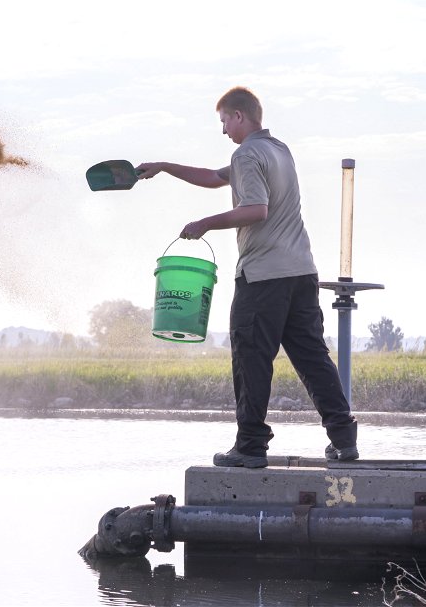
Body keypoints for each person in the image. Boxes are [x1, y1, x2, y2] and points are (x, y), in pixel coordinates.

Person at [136, 86, 358, 468]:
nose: (223, 131)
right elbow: (213, 177)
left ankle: (250, 446)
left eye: (224, 121)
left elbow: (256, 209)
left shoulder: (247, 153)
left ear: (239, 116)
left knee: (251, 359)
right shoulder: (279, 150)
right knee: (313, 359)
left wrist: (205, 223)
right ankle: (344, 439)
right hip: (301, 273)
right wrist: (165, 167)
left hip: (263, 278)